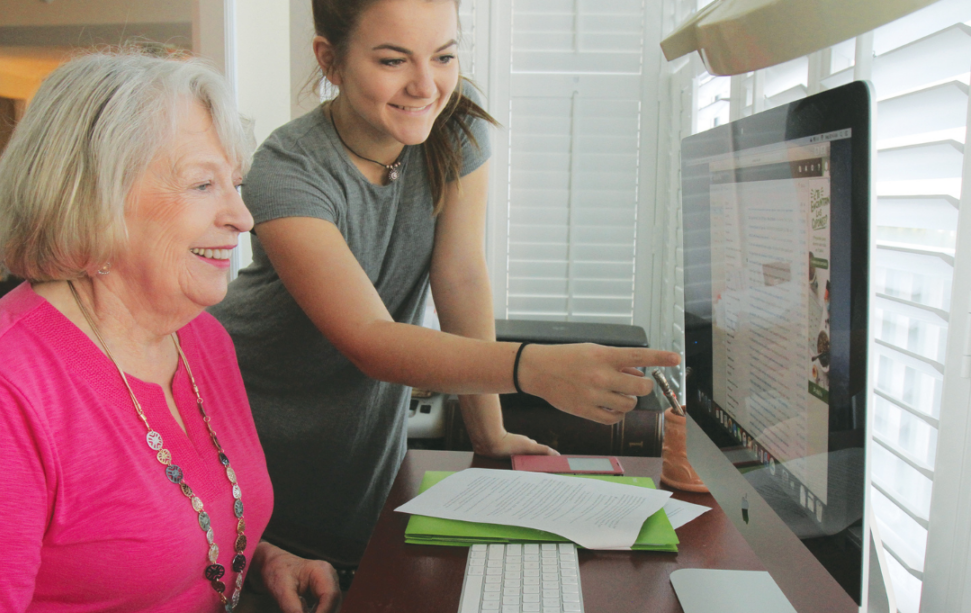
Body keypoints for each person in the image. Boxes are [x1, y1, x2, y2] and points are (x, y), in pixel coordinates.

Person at [0, 51, 340, 613]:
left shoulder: (202, 338)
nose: (242, 216)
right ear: (93, 194)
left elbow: (138, 530)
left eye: (235, 184)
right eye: (203, 184)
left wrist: (263, 561)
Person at [210, 0, 681, 573]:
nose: (425, 85)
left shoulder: (454, 124)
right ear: (330, 61)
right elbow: (369, 338)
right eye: (392, 60)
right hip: (255, 424)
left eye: (444, 56)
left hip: (361, 439)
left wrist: (491, 432)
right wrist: (533, 367)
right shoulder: (287, 171)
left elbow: (459, 275)